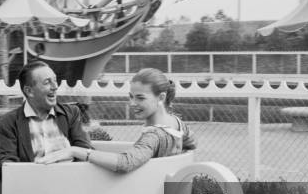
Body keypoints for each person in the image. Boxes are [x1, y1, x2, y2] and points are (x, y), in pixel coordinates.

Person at [37, 67, 196, 172]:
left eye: (140, 98)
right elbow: (191, 143)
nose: (133, 103)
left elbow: (125, 163)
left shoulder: (153, 136)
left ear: (161, 97)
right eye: (131, 97)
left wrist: (74, 150)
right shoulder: (177, 124)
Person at [0, 60, 92, 177]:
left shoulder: (71, 113)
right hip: (34, 185)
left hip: (71, 181)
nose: (55, 87)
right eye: (47, 82)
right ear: (29, 91)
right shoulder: (8, 122)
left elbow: (85, 151)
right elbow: (6, 164)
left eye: (55, 81)